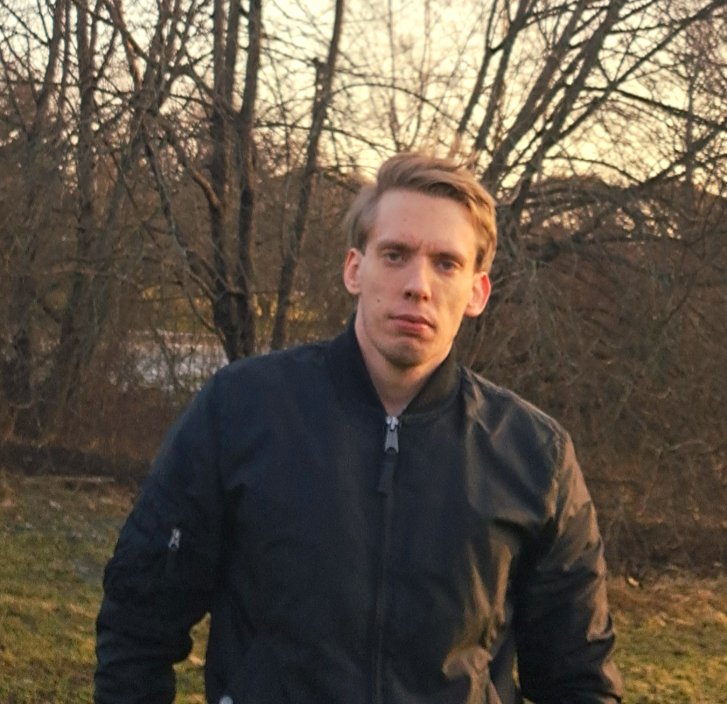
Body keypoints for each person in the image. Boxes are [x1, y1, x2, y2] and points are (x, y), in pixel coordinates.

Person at [95, 152, 623, 704]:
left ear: (476, 292)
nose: (418, 285)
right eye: (395, 255)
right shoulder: (242, 411)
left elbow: (579, 680)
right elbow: (137, 622)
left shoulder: (534, 456)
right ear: (354, 269)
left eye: (446, 263)